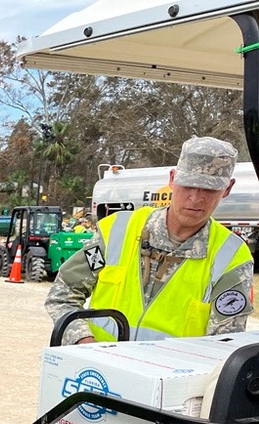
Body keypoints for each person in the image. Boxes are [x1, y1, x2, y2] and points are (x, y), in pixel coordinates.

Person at [46, 136, 254, 343]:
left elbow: (224, 343)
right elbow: (63, 294)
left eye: (209, 189)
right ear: (172, 179)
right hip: (99, 372)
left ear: (227, 189)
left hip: (173, 375)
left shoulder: (231, 258)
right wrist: (83, 341)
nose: (196, 198)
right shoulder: (115, 232)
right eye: (188, 185)